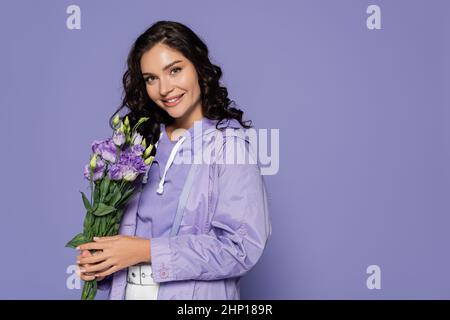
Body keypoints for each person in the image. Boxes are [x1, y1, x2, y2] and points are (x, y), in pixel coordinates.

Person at [75, 20, 272, 300]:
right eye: (151, 78)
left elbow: (241, 247)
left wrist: (146, 251)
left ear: (199, 68)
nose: (164, 88)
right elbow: (125, 238)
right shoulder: (141, 144)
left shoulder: (229, 146)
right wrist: (102, 262)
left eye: (175, 70)